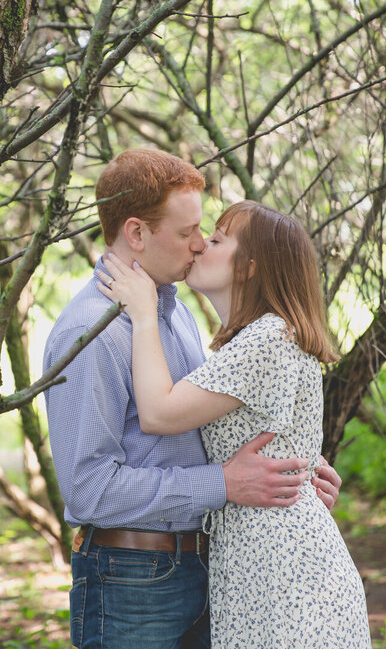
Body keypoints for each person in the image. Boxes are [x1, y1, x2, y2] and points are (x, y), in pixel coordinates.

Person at [42, 148, 343, 649]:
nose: (199, 245)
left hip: (208, 566)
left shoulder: (174, 314)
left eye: (205, 231)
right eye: (187, 234)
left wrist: (292, 468)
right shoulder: (89, 333)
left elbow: (214, 418)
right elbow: (88, 490)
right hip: (132, 578)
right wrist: (222, 484)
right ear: (136, 233)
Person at [95, 199, 373, 648]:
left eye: (218, 239)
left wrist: (144, 313)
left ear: (249, 267)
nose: (201, 244)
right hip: (266, 568)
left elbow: (158, 413)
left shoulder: (267, 338)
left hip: (287, 579)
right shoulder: (259, 339)